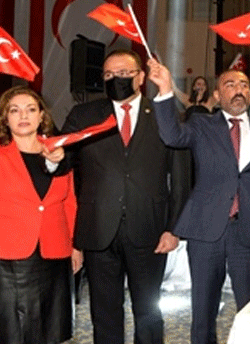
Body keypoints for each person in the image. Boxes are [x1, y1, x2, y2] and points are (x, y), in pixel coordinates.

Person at [146, 60, 250, 344]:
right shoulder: (201, 125)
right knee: (203, 312)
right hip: (206, 231)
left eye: (244, 85)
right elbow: (171, 135)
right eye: (230, 85)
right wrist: (165, 90)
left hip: (249, 232)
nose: (238, 90)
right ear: (218, 95)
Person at [62, 49, 187, 344]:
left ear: (141, 77)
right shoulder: (84, 116)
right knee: (104, 313)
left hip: (150, 229)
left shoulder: (165, 114)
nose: (114, 79)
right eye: (108, 75)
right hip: (98, 230)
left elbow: (181, 178)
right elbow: (62, 163)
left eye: (122, 73)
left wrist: (174, 228)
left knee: (148, 311)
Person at [0, 86, 79, 344]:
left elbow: (69, 202)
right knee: (10, 332)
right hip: (6, 257)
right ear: (5, 118)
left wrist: (76, 246)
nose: (23, 115)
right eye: (14, 110)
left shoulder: (58, 151)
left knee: (51, 332)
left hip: (54, 253)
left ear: (41, 116)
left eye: (30, 109)